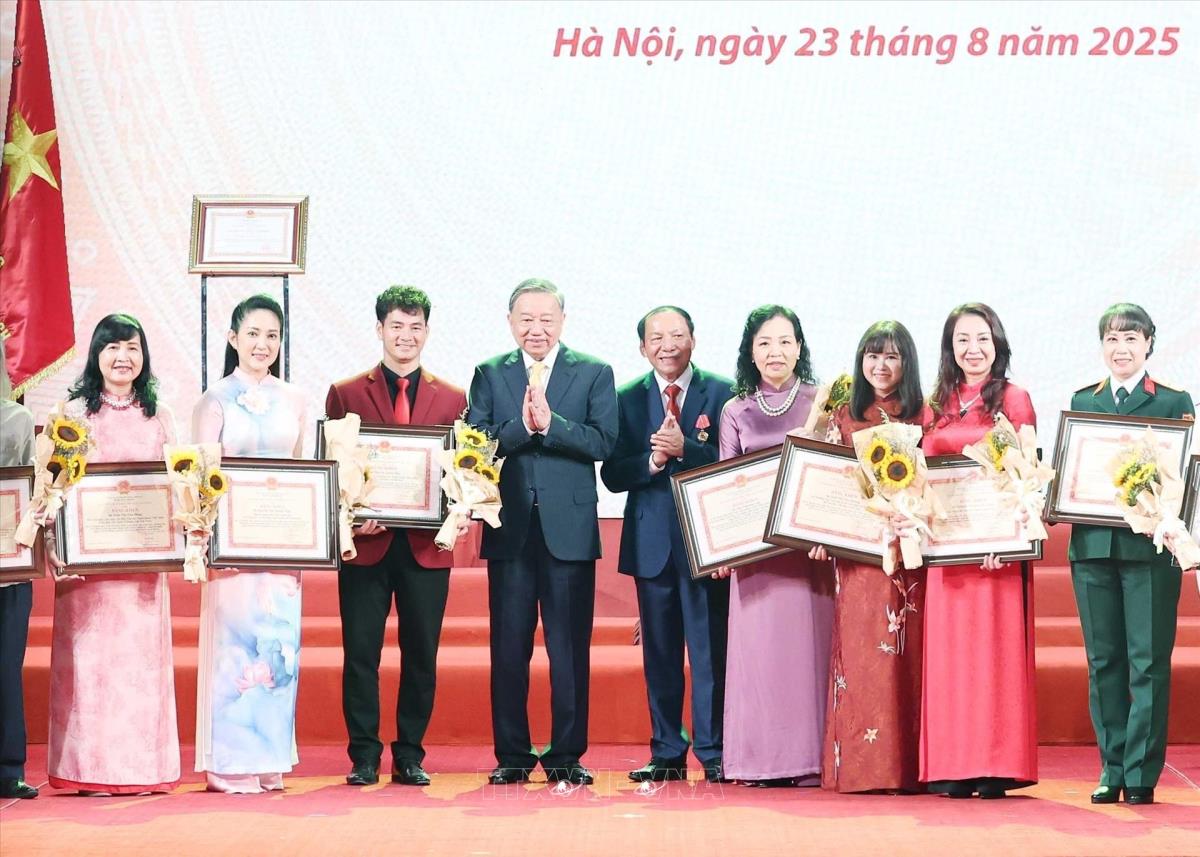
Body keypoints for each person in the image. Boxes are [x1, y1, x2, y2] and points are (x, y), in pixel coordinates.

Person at [467, 278, 617, 785]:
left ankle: (566, 755)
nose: (537, 329)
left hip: (568, 531)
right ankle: (511, 754)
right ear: (510, 322)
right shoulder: (490, 373)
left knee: (569, 648)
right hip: (509, 527)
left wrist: (553, 426)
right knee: (509, 647)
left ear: (562, 321)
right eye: (526, 319)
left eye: (546, 319)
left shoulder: (594, 372)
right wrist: (522, 428)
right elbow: (477, 442)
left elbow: (604, 442)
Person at [324, 286, 468, 787]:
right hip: (366, 545)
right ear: (380, 328)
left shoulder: (453, 398)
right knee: (361, 654)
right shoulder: (345, 393)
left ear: (427, 331)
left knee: (421, 654)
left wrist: (459, 509)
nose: (406, 336)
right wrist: (349, 517)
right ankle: (363, 755)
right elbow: (331, 469)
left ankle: (410, 754)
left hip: (426, 549)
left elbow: (461, 471)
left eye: (415, 326)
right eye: (396, 326)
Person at [45, 314, 181, 795]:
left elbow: (177, 487)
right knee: (91, 670)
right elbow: (52, 488)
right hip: (87, 575)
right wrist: (54, 544)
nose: (123, 357)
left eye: (132, 347)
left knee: (138, 671)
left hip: (143, 570)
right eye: (112, 347)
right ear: (96, 355)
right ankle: (88, 771)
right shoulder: (71, 415)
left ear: (144, 356)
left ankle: (140, 771)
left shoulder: (159, 416)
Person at [1068, 303, 1194, 807]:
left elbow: (1184, 478)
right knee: (1103, 663)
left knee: (1147, 662)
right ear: (1102, 346)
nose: (1121, 349)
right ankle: (1111, 767)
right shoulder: (1083, 400)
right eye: (1112, 339)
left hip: (1151, 551)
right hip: (1093, 547)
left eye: (1131, 339)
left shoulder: (1173, 401)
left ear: (1149, 345)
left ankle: (1141, 773)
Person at [600, 306, 733, 784]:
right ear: (642, 347)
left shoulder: (723, 392)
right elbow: (612, 474)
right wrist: (653, 462)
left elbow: (732, 460)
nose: (667, 345)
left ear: (693, 339)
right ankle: (666, 752)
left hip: (707, 542)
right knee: (659, 655)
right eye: (656, 337)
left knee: (709, 653)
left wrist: (686, 451)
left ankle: (714, 751)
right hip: (651, 543)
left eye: (677, 335)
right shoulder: (625, 398)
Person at [808, 321, 933, 793]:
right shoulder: (843, 414)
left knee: (907, 654)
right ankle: (864, 767)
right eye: (872, 356)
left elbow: (938, 483)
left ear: (907, 363)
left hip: (909, 554)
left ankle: (911, 767)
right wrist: (819, 533)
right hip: (859, 556)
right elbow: (824, 481)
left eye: (892, 356)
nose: (881, 366)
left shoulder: (925, 414)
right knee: (863, 655)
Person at [919, 302, 1038, 799]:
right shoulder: (935, 403)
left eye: (982, 338)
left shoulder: (1014, 399)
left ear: (997, 344)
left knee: (993, 660)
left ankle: (995, 764)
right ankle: (952, 763)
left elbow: (1027, 476)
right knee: (951, 661)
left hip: (994, 556)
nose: (973, 349)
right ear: (950, 348)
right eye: (963, 340)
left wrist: (1007, 541)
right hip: (947, 553)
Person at [714, 305, 834, 787]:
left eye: (785, 341)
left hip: (809, 557)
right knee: (760, 659)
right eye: (764, 343)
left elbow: (834, 474)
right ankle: (761, 761)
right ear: (750, 351)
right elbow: (723, 486)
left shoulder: (822, 403)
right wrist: (721, 550)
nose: (775, 352)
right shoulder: (735, 410)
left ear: (799, 348)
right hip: (755, 559)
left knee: (807, 656)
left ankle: (812, 760)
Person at [193, 294, 307, 794]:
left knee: (280, 651)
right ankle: (230, 762)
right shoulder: (214, 399)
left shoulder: (294, 398)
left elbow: (301, 474)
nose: (263, 344)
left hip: (281, 548)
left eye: (272, 336)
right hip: (233, 551)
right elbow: (201, 478)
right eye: (254, 334)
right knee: (237, 651)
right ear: (233, 338)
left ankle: (269, 758)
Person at [0, 341, 38, 799]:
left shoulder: (18, 419)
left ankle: (9, 767)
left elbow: (32, 486)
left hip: (8, 560)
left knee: (7, 663)